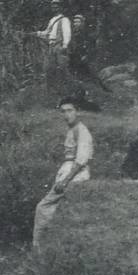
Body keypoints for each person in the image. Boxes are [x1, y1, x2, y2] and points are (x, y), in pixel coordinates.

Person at [32, 95, 94, 251]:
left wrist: (65, 181)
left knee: (42, 207)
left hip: (75, 174)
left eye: (70, 110)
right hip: (68, 170)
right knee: (54, 210)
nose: (67, 115)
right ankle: (49, 248)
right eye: (63, 111)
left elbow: (81, 160)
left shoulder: (82, 131)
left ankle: (38, 249)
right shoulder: (72, 130)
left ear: (77, 111)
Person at [68, 14, 110, 91]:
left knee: (91, 74)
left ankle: (103, 88)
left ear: (82, 23)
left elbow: (90, 44)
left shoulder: (85, 33)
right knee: (76, 75)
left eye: (78, 22)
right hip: (75, 56)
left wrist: (86, 55)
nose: (76, 24)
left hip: (84, 57)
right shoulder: (73, 33)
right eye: (74, 22)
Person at [36, 0, 72, 88]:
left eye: (56, 7)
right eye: (53, 7)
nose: (54, 9)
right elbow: (47, 32)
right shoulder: (52, 20)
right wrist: (38, 33)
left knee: (62, 66)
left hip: (59, 45)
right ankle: (53, 87)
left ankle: (68, 86)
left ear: (60, 8)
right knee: (50, 67)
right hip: (51, 45)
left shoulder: (64, 19)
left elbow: (67, 33)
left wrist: (65, 45)